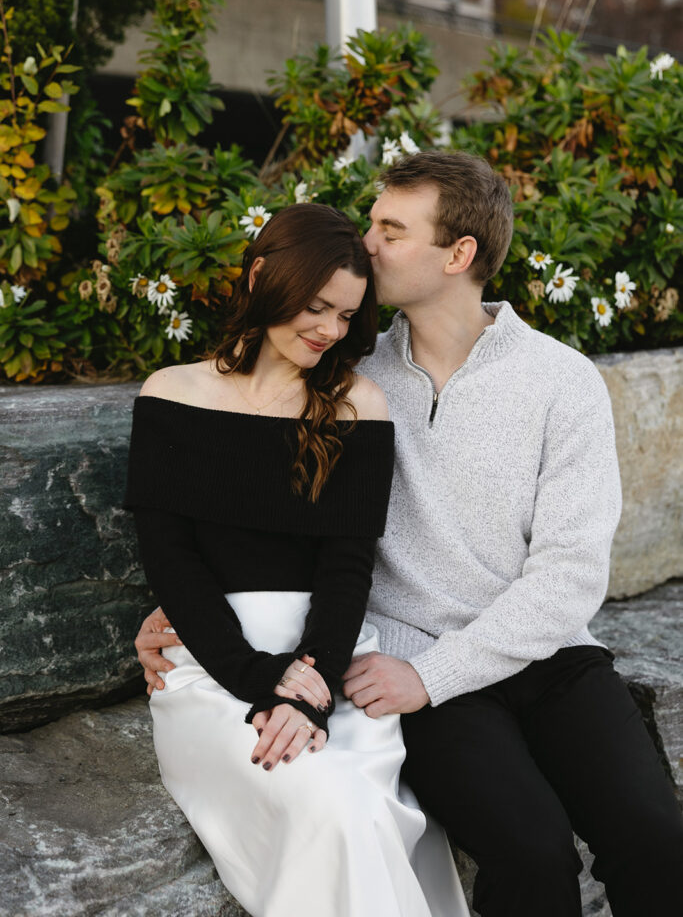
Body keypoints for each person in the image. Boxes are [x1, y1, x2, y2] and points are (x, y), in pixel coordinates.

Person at [136, 153, 683, 917]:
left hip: (543, 659)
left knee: (658, 842)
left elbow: (568, 576)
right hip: (405, 660)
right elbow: (251, 495)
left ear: (457, 255)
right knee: (530, 856)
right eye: (370, 223)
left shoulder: (561, 381)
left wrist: (436, 673)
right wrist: (186, 611)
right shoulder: (345, 376)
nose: (367, 243)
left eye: (390, 229)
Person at [123, 202, 466, 917]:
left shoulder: (357, 406)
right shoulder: (170, 394)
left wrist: (308, 682)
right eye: (316, 306)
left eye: (345, 316)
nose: (330, 331)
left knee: (354, 806)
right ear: (259, 277)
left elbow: (348, 568)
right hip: (212, 672)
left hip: (326, 662)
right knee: (330, 804)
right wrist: (257, 682)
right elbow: (172, 560)